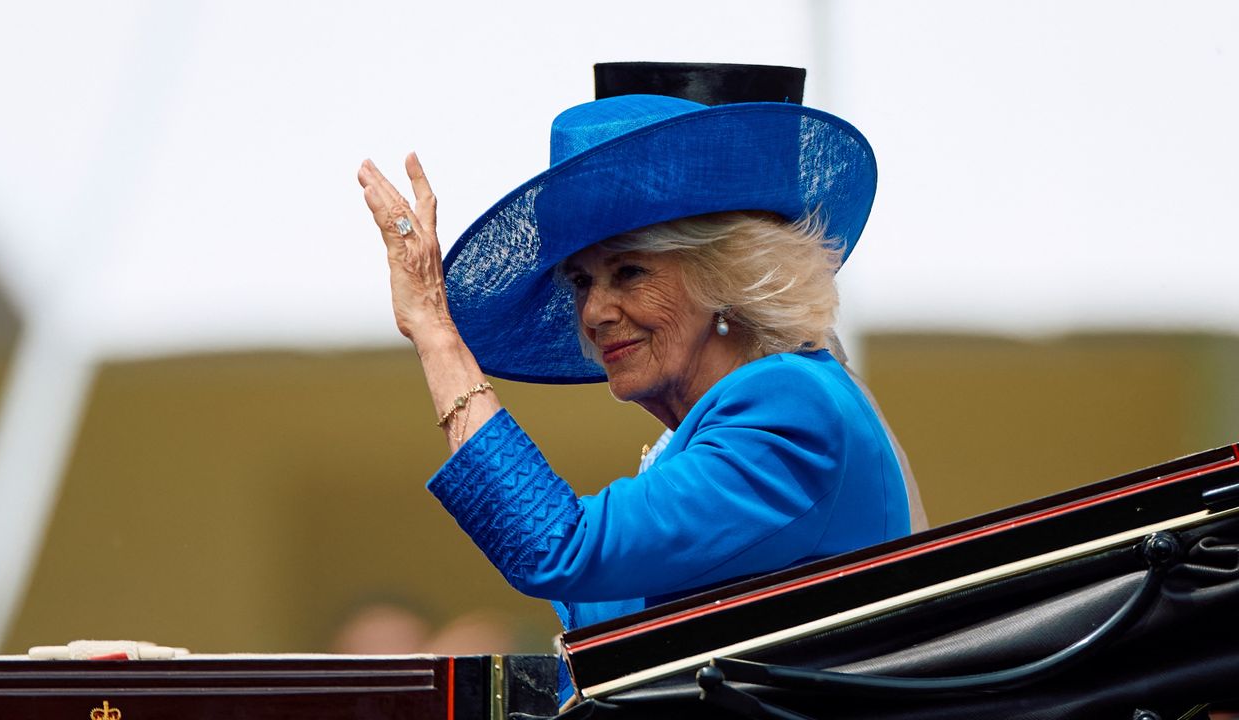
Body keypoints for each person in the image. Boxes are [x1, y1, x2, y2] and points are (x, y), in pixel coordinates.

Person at [357, 69, 912, 701]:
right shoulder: (726, 429)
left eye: (629, 272)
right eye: (582, 282)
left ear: (722, 277)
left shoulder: (790, 404)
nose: (595, 312)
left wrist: (436, 331)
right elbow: (596, 608)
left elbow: (555, 547)